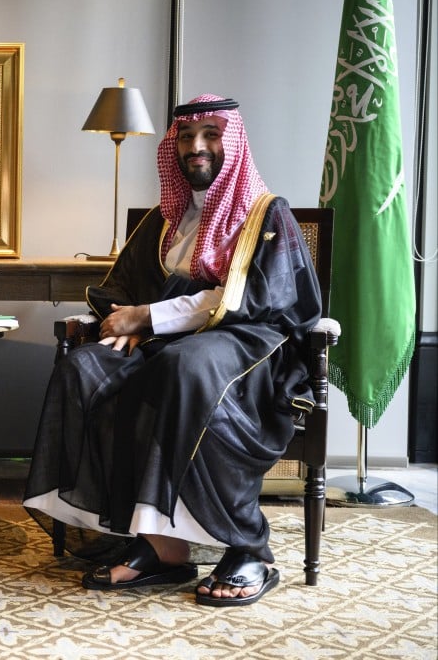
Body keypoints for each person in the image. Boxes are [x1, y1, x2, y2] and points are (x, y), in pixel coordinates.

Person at [23, 94, 322, 607]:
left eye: (210, 134)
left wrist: (150, 316)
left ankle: (247, 546)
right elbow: (122, 288)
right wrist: (132, 319)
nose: (196, 146)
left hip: (244, 342)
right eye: (185, 137)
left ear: (233, 141)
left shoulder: (266, 214)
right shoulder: (165, 219)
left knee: (186, 368)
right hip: (165, 344)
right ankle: (161, 547)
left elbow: (253, 296)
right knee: (85, 368)